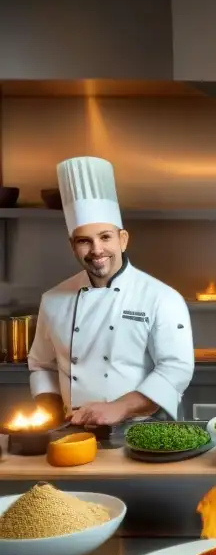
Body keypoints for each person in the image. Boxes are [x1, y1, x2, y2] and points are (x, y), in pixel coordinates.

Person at [28, 156, 195, 426]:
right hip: (72, 429)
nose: (96, 250)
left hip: (140, 430)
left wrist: (120, 407)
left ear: (123, 239)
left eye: (105, 237)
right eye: (85, 241)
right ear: (73, 246)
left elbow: (176, 368)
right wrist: (49, 412)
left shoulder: (161, 298)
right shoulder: (52, 300)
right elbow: (42, 365)